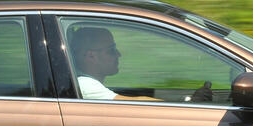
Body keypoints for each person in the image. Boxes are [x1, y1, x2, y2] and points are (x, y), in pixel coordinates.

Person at [68, 25, 213, 103]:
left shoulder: (85, 83)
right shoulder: (84, 85)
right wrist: (187, 104)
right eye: (111, 50)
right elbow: (132, 104)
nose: (119, 54)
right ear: (91, 55)